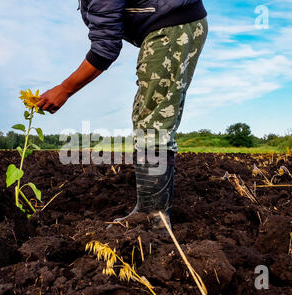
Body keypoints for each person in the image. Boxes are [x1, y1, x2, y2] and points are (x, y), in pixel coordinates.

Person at [37, 0, 208, 230]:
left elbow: (104, 48)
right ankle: (151, 211)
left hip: (172, 27)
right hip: (171, 25)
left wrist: (65, 89)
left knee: (153, 120)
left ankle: (153, 216)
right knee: (146, 115)